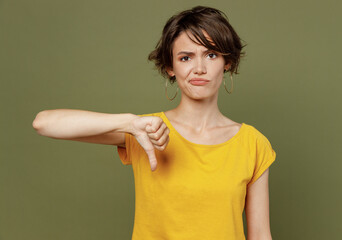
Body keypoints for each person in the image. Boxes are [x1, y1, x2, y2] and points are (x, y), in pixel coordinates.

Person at [32, 5, 276, 240]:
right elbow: (44, 123)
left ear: (227, 62)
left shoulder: (252, 143)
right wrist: (128, 122)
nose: (199, 68)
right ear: (170, 67)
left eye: (211, 55)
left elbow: (260, 235)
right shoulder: (145, 131)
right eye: (186, 57)